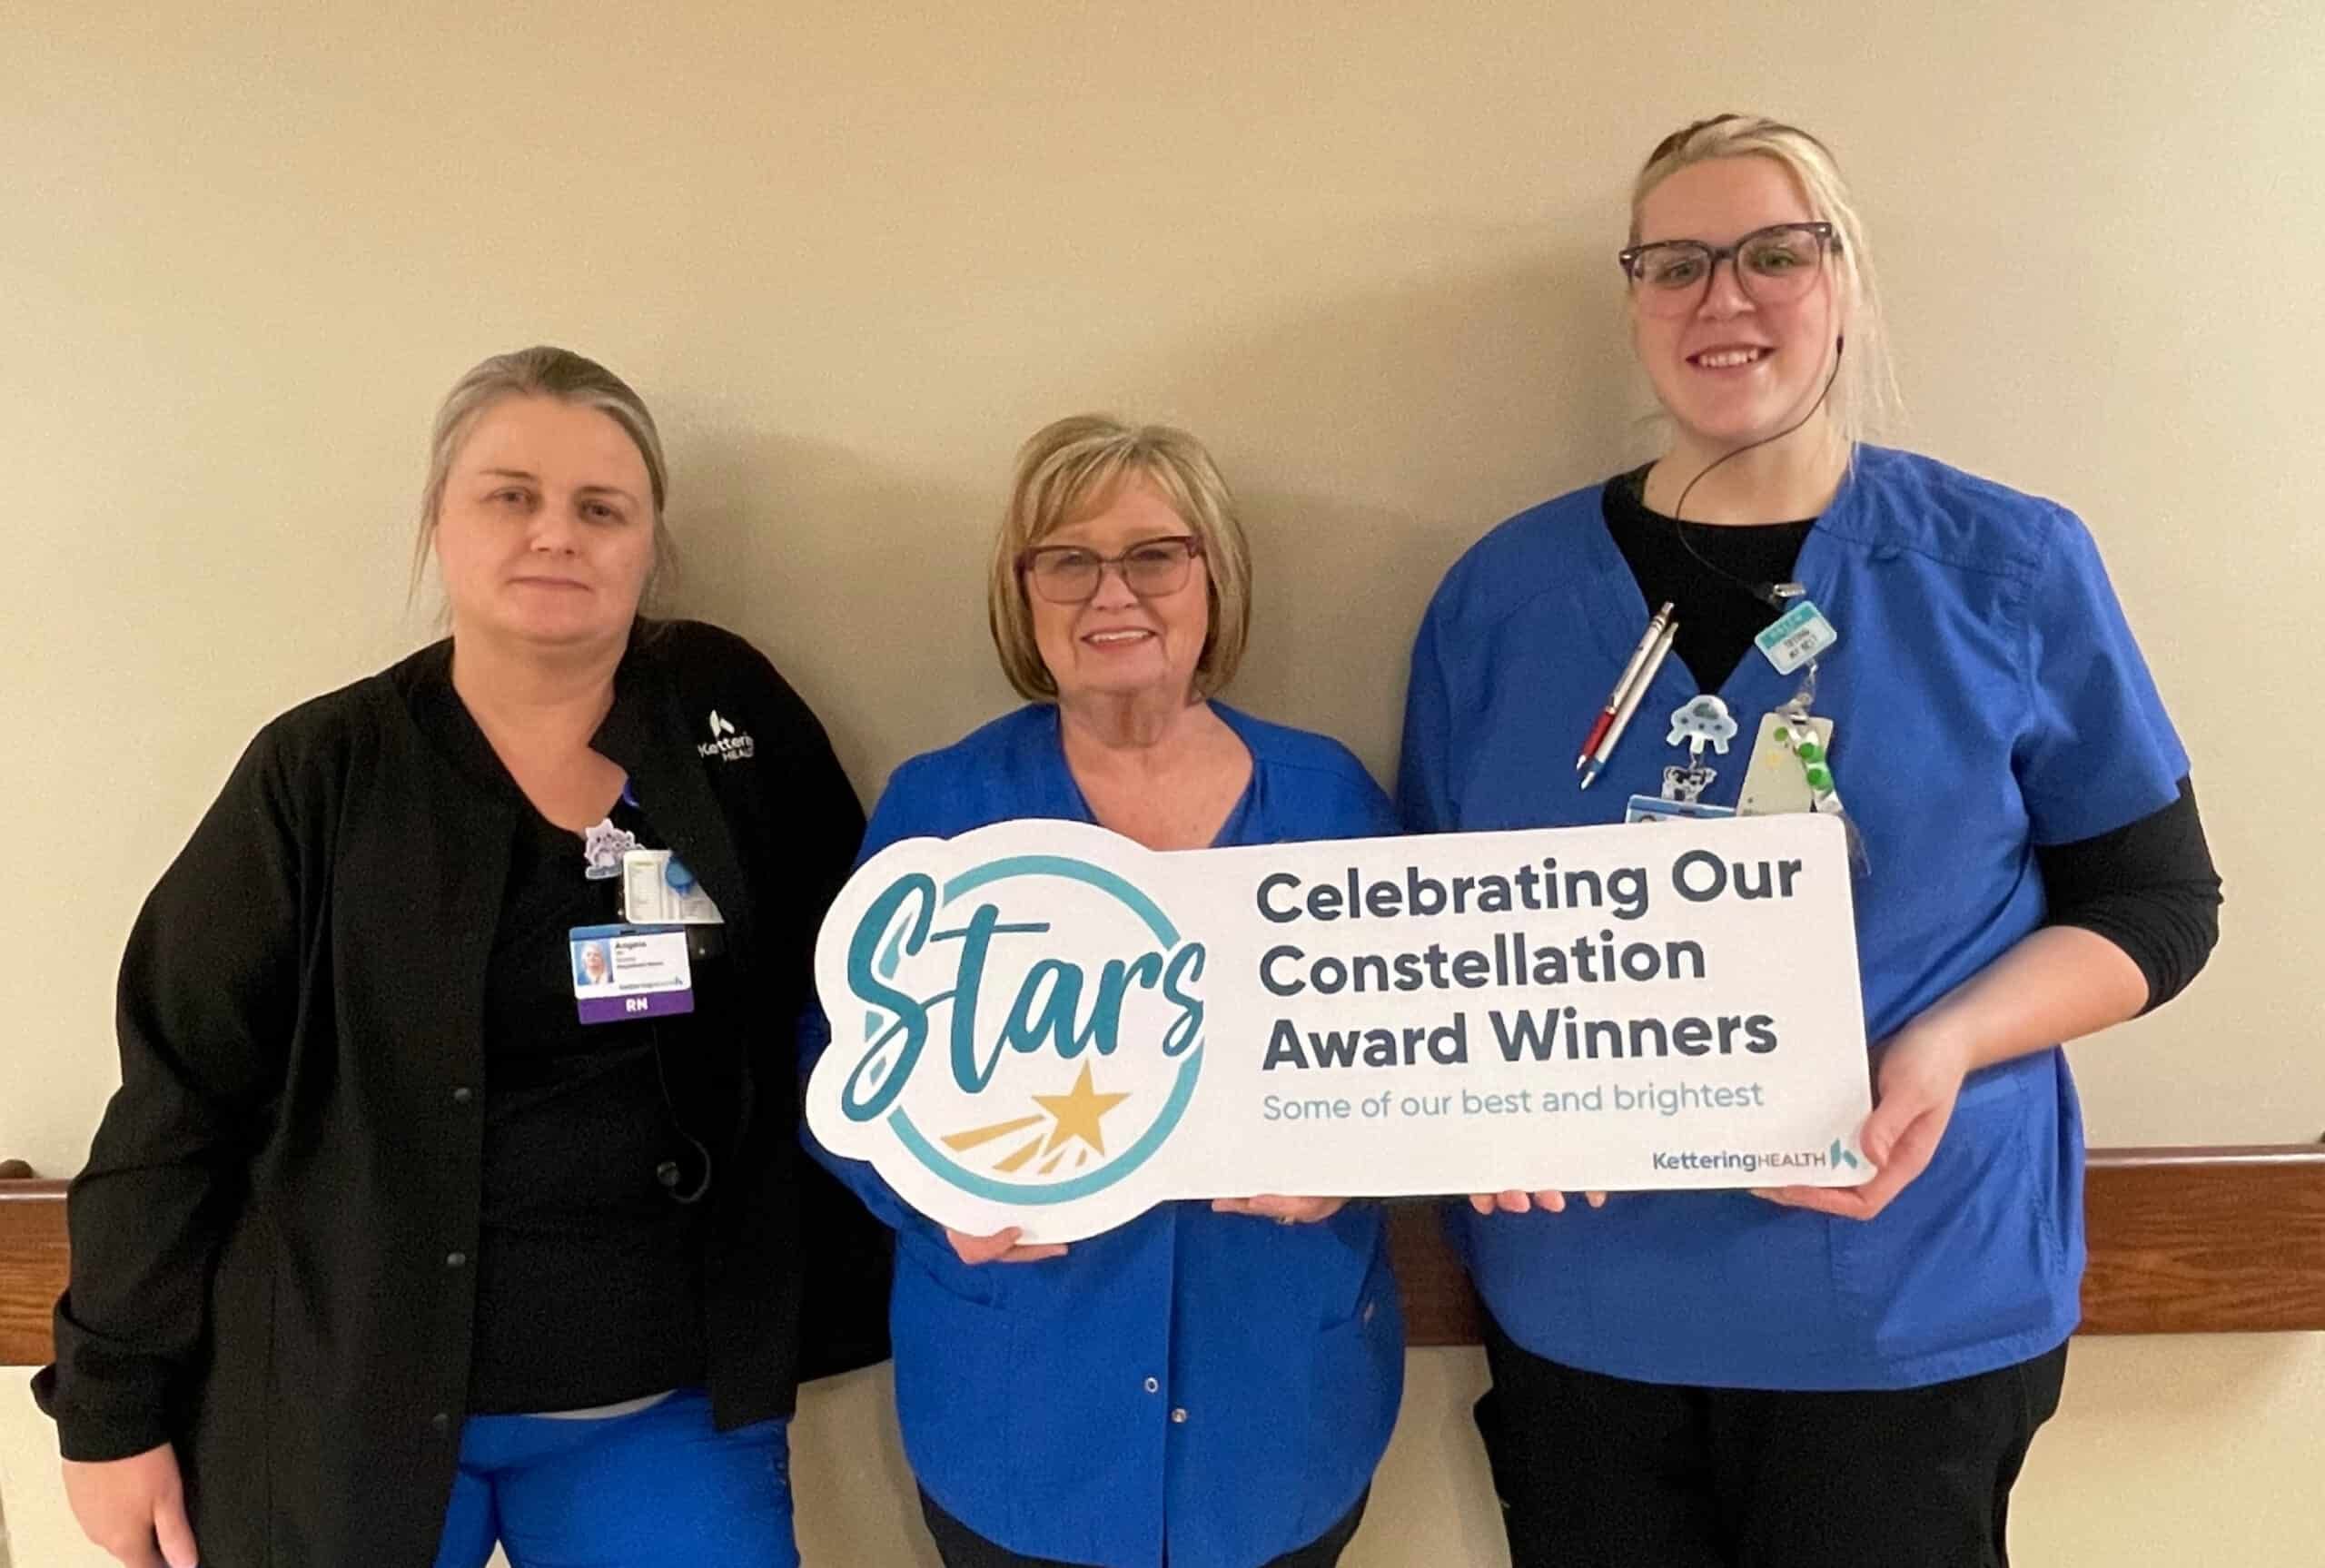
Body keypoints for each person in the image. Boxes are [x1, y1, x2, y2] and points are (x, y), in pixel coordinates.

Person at [1398, 116, 2221, 1568]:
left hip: (1908, 1295)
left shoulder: (2007, 568)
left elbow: (2156, 902)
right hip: (1590, 1312)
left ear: (1844, 281)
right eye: (1677, 263)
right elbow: (1433, 931)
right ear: (1632, 298)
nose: (1725, 298)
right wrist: (1478, 1097)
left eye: (1776, 253)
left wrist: (1947, 1044)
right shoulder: (1502, 598)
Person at [36, 346, 890, 1568]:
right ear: (440, 522)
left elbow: (870, 989)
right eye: (511, 494)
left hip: (657, 1404)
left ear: (651, 541)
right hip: (354, 1400)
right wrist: (109, 1408)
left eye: (602, 507)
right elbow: (181, 1091)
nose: (558, 533)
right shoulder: (324, 772)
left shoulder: (729, 718)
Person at [806, 415, 1403, 1568]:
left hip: (1278, 1418)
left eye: (1153, 554)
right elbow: (838, 1065)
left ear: (1214, 576)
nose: (1109, 592)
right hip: (1022, 1417)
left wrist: (1353, 1165)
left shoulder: (1331, 799)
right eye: (1066, 558)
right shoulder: (943, 808)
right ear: (1021, 593)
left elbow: (1427, 1055)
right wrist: (931, 1197)